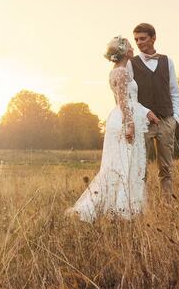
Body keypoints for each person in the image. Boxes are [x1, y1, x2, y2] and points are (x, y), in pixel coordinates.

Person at [66, 36, 159, 221]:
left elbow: (129, 101)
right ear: (125, 51)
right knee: (122, 166)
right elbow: (123, 102)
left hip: (124, 117)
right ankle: (118, 211)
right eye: (130, 44)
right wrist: (130, 125)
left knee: (123, 165)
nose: (134, 47)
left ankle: (122, 209)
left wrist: (145, 112)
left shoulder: (118, 71)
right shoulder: (121, 72)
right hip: (125, 120)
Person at [131, 23, 179, 200]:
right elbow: (131, 96)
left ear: (153, 38)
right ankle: (140, 204)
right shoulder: (132, 64)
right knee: (140, 168)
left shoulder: (167, 61)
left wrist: (175, 118)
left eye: (143, 38)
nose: (139, 42)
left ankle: (167, 204)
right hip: (143, 123)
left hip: (166, 121)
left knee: (166, 168)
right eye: (136, 39)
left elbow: (174, 91)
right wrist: (144, 112)